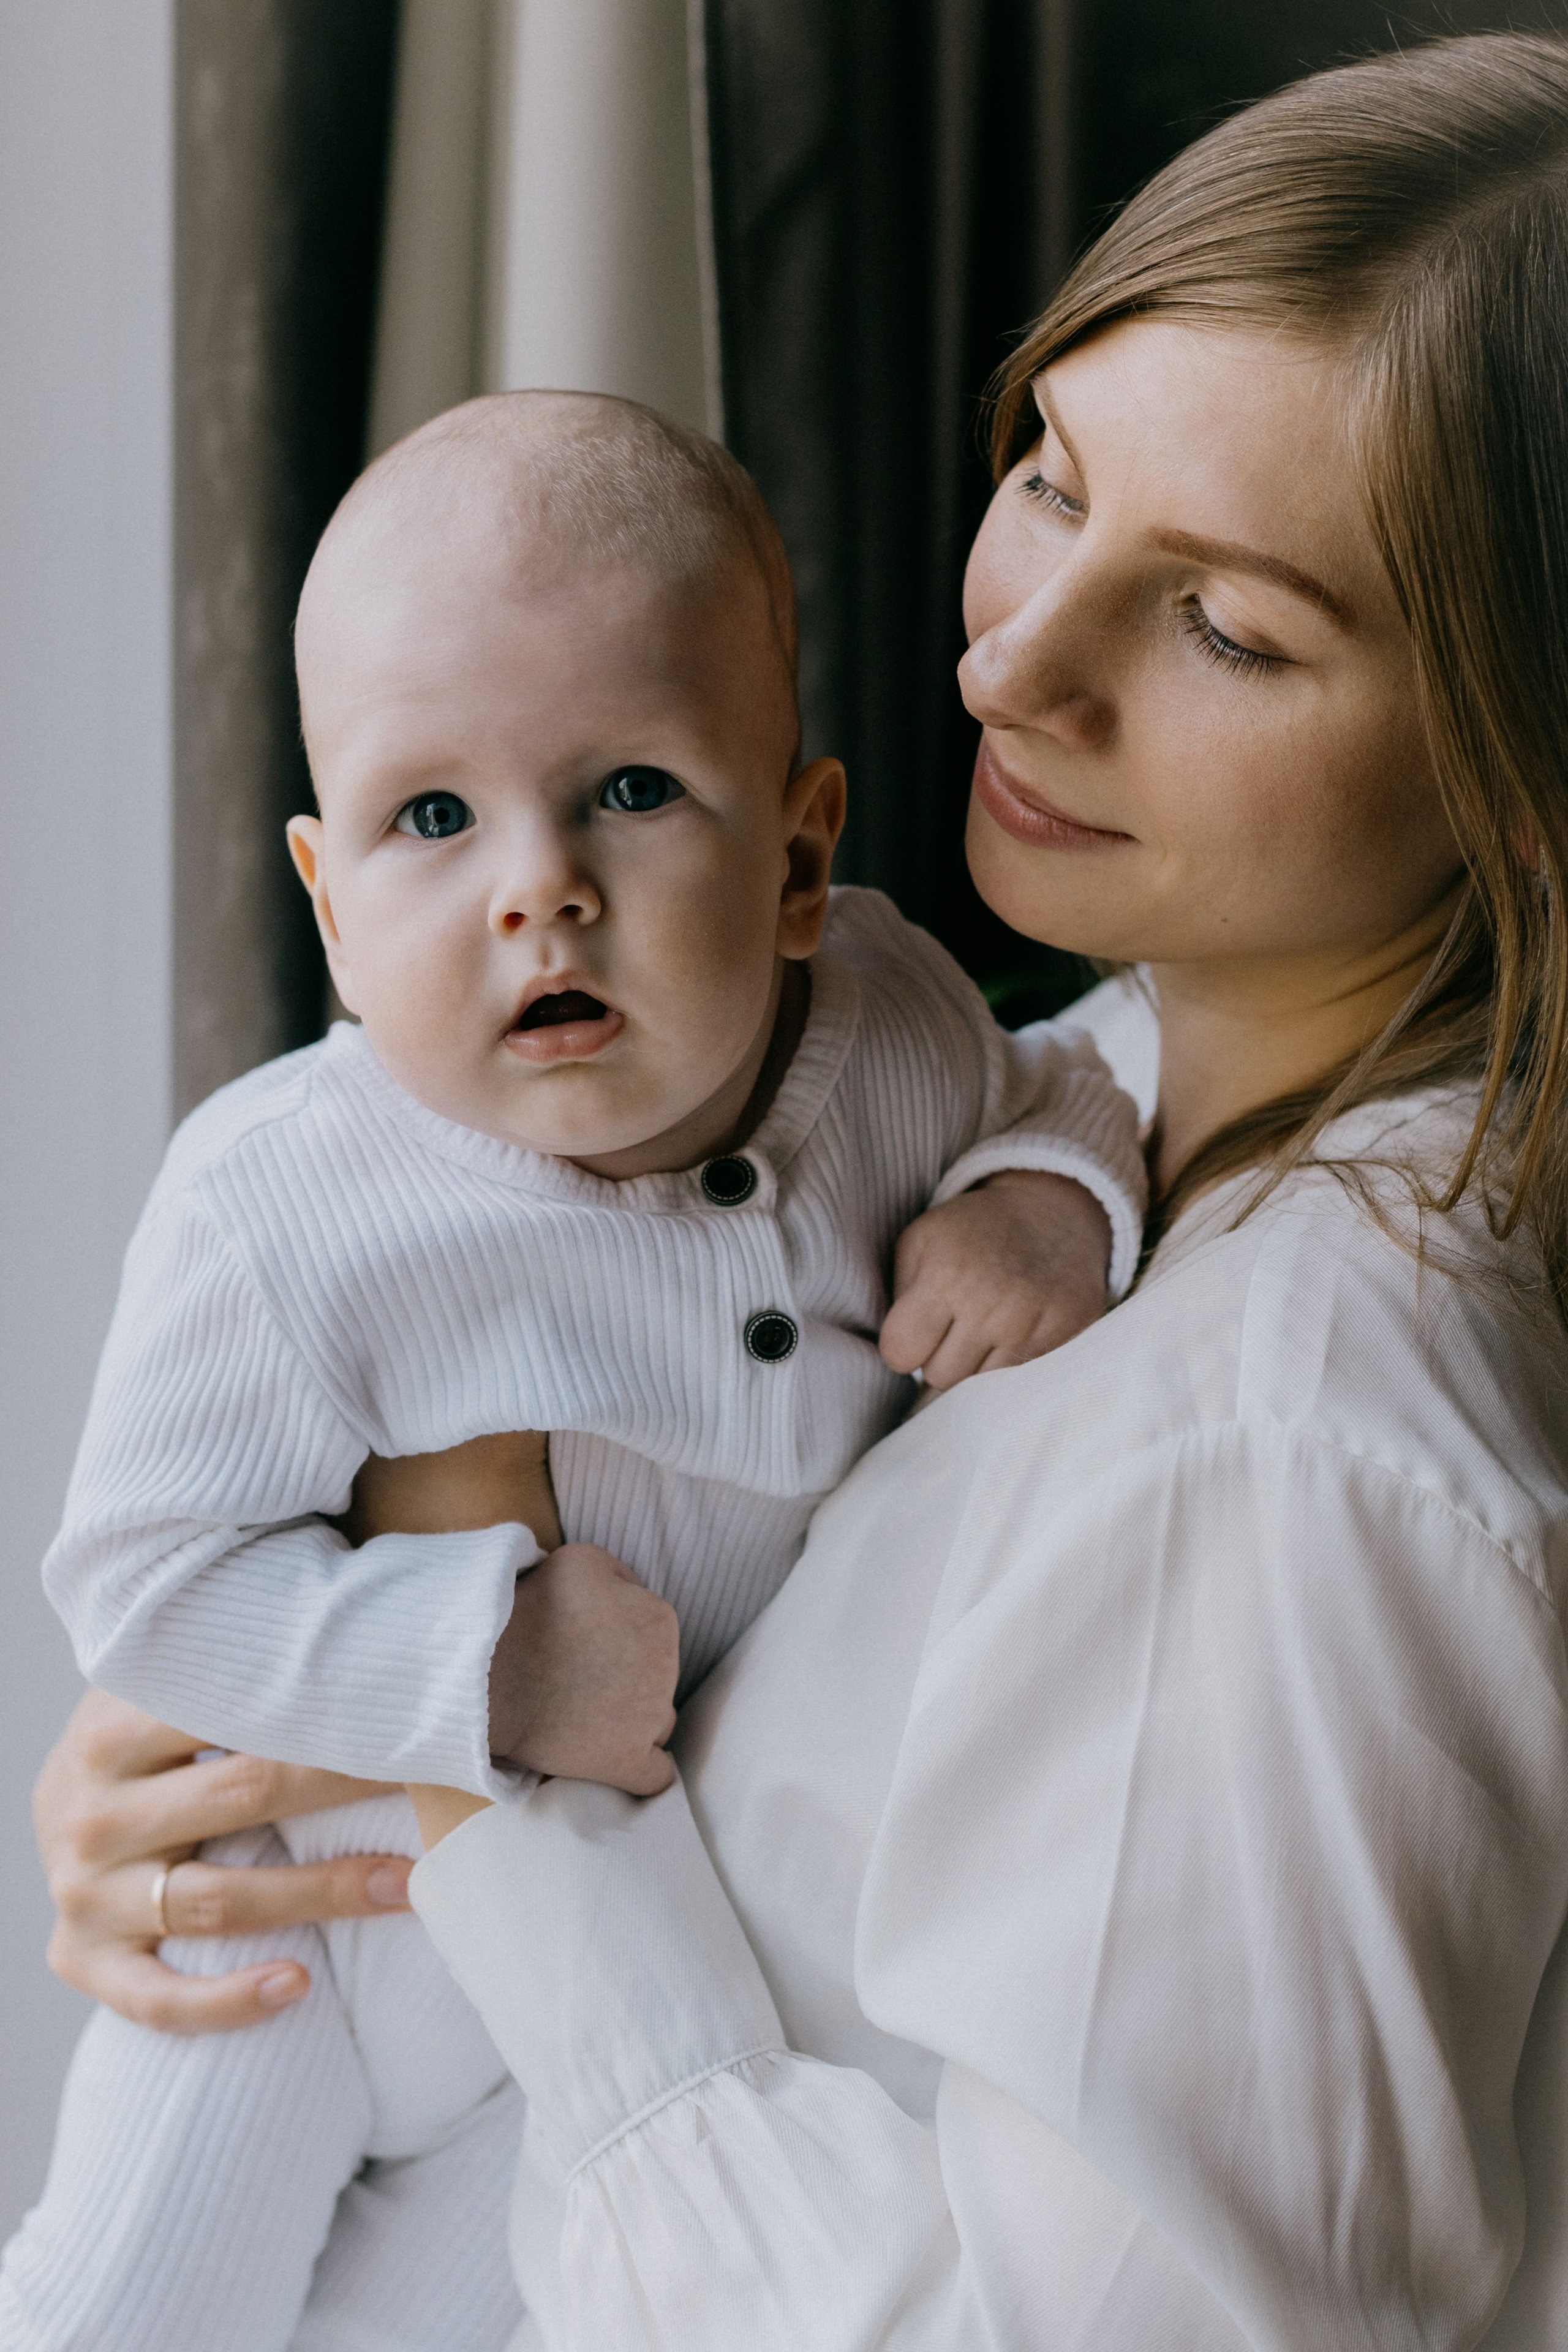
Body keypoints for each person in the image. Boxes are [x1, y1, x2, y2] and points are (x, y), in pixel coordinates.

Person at [24, 24, 1568, 2349]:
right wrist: (298, 1744)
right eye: (1051, 472)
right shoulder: (1113, 1071)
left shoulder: (1298, 1451)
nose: (1013, 657)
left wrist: (505, 1820)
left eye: (1230, 624)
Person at [0, 396, 1145, 2352]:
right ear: (333, 908)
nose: (539, 884)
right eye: (430, 819)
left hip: (597, 1976)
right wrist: (489, 1659)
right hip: (327, 1921)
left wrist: (1049, 1204)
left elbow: (1075, 1094)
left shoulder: (891, 1025)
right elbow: (140, 1576)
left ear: (800, 856)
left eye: (630, 788)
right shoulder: (285, 1203)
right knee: (123, 2315)